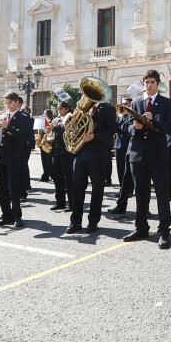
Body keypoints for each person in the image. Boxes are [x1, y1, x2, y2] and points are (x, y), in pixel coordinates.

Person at [123, 70, 171, 249]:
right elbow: (126, 128)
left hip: (158, 155)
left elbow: (170, 128)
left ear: (157, 84)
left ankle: (164, 231)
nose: (149, 85)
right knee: (140, 194)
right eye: (146, 82)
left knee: (161, 194)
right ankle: (141, 227)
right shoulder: (136, 103)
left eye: (152, 82)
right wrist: (135, 127)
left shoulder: (166, 103)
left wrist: (154, 121)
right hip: (137, 154)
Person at [67, 89, 115, 235]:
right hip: (80, 154)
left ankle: (93, 221)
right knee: (77, 189)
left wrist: (94, 136)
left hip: (98, 154)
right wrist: (69, 121)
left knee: (97, 190)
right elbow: (74, 128)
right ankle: (75, 222)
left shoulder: (107, 108)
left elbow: (111, 130)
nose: (87, 96)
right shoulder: (81, 108)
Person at [0, 92, 33, 227]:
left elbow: (24, 136)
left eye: (10, 103)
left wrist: (7, 126)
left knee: (13, 188)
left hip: (14, 156)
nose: (7, 105)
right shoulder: (3, 116)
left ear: (17, 103)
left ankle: (17, 216)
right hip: (0, 155)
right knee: (1, 188)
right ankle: (6, 215)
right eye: (6, 103)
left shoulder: (24, 117)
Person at [108, 97, 138, 215]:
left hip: (128, 146)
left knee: (129, 172)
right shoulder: (120, 117)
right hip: (119, 146)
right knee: (121, 170)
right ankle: (122, 190)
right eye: (123, 103)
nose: (124, 106)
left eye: (126, 104)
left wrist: (122, 124)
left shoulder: (132, 116)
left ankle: (129, 191)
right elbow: (115, 129)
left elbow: (128, 130)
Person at [48, 101, 73, 211]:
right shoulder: (57, 119)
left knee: (68, 179)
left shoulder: (70, 117)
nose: (59, 111)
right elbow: (52, 133)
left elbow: (67, 130)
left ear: (67, 109)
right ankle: (60, 202)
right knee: (57, 178)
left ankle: (72, 204)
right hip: (56, 151)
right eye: (58, 109)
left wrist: (53, 128)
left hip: (67, 152)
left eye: (61, 109)